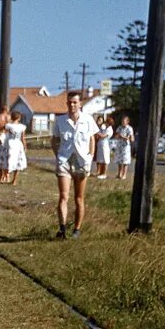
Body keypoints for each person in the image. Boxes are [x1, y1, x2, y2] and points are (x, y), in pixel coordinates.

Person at [51, 91, 99, 239]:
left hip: (81, 161)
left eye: (75, 102)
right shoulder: (60, 121)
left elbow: (92, 140)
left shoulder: (88, 120)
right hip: (65, 160)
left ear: (80, 104)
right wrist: (58, 155)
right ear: (67, 103)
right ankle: (62, 228)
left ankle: (77, 229)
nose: (72, 105)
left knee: (79, 197)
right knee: (63, 196)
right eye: (70, 102)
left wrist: (90, 157)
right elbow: (54, 140)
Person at [4, 111, 28, 186]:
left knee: (8, 159)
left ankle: (6, 175)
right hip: (18, 144)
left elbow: (5, 132)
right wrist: (25, 146)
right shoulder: (22, 127)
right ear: (19, 118)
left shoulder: (8, 125)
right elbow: (23, 138)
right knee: (18, 160)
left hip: (10, 143)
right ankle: (14, 180)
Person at [113, 115, 134, 180]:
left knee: (125, 161)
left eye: (124, 121)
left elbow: (131, 138)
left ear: (127, 121)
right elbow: (116, 135)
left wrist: (125, 137)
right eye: (122, 121)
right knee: (119, 160)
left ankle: (124, 174)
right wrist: (119, 136)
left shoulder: (129, 128)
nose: (123, 122)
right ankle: (119, 173)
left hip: (126, 146)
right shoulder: (119, 128)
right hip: (119, 146)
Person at [0, 106, 10, 183]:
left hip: (0, 136)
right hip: (7, 136)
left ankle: (0, 175)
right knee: (6, 157)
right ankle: (6, 175)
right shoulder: (10, 117)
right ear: (7, 109)